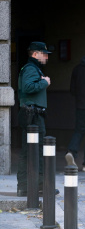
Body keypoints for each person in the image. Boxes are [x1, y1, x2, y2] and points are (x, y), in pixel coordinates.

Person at [16, 42, 51, 196]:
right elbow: (28, 87)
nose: (47, 57)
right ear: (35, 54)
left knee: (30, 151)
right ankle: (37, 185)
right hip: (33, 116)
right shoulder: (30, 68)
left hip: (32, 114)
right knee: (35, 150)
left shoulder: (31, 68)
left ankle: (28, 186)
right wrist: (45, 82)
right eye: (44, 54)